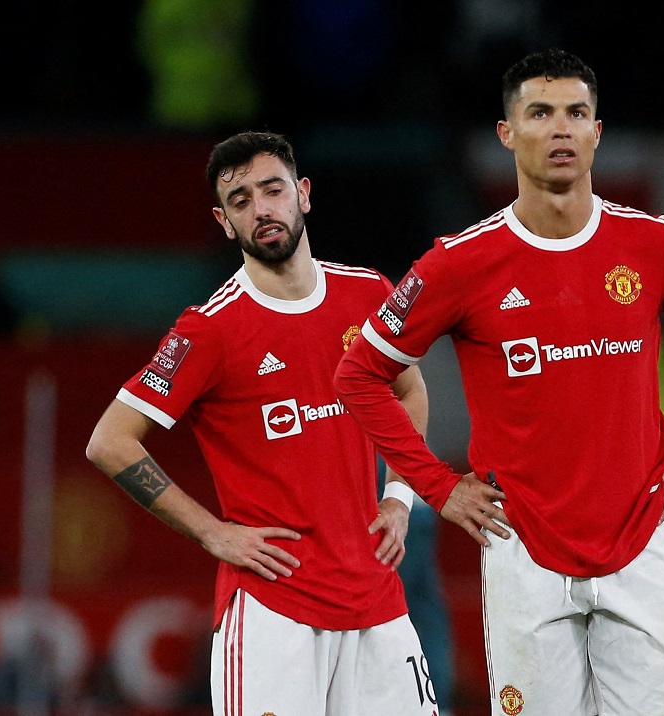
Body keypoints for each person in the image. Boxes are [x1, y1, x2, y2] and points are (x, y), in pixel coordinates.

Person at [335, 48, 664, 715]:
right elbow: (360, 373)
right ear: (508, 133)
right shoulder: (460, 263)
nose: (560, 128)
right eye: (540, 112)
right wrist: (437, 487)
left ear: (598, 131)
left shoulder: (651, 244)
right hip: (523, 551)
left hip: (641, 539)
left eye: (576, 113)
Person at [86, 131, 439, 716]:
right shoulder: (209, 329)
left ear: (302, 194)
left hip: (376, 598)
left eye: (272, 190)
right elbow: (108, 441)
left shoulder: (366, 292)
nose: (261, 209)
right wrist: (213, 533)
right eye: (241, 200)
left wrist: (400, 495)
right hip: (275, 610)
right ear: (225, 223)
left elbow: (409, 387)